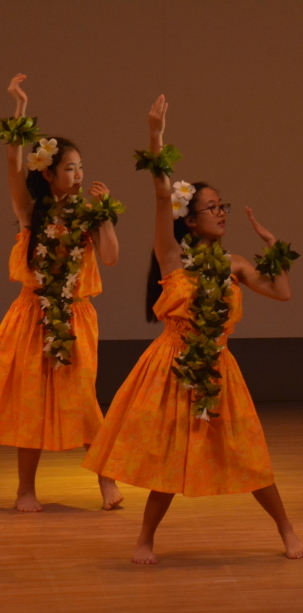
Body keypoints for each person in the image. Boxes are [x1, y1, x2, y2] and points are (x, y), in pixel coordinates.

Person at [83, 95, 303, 563]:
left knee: (248, 453)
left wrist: (273, 247)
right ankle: (145, 539)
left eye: (223, 206)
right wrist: (156, 136)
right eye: (211, 207)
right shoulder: (172, 258)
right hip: (172, 368)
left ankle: (286, 529)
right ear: (189, 219)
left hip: (220, 369)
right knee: (168, 454)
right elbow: (161, 196)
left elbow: (282, 292)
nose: (221, 212)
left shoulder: (235, 264)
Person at [0, 73, 122, 512]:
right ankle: (25, 489)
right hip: (32, 316)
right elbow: (12, 163)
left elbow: (110, 258)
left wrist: (104, 214)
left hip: (74, 317)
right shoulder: (30, 213)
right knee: (29, 401)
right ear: (48, 173)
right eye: (70, 168)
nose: (79, 175)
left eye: (80, 167)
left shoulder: (87, 215)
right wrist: (19, 107)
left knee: (84, 400)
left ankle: (106, 481)